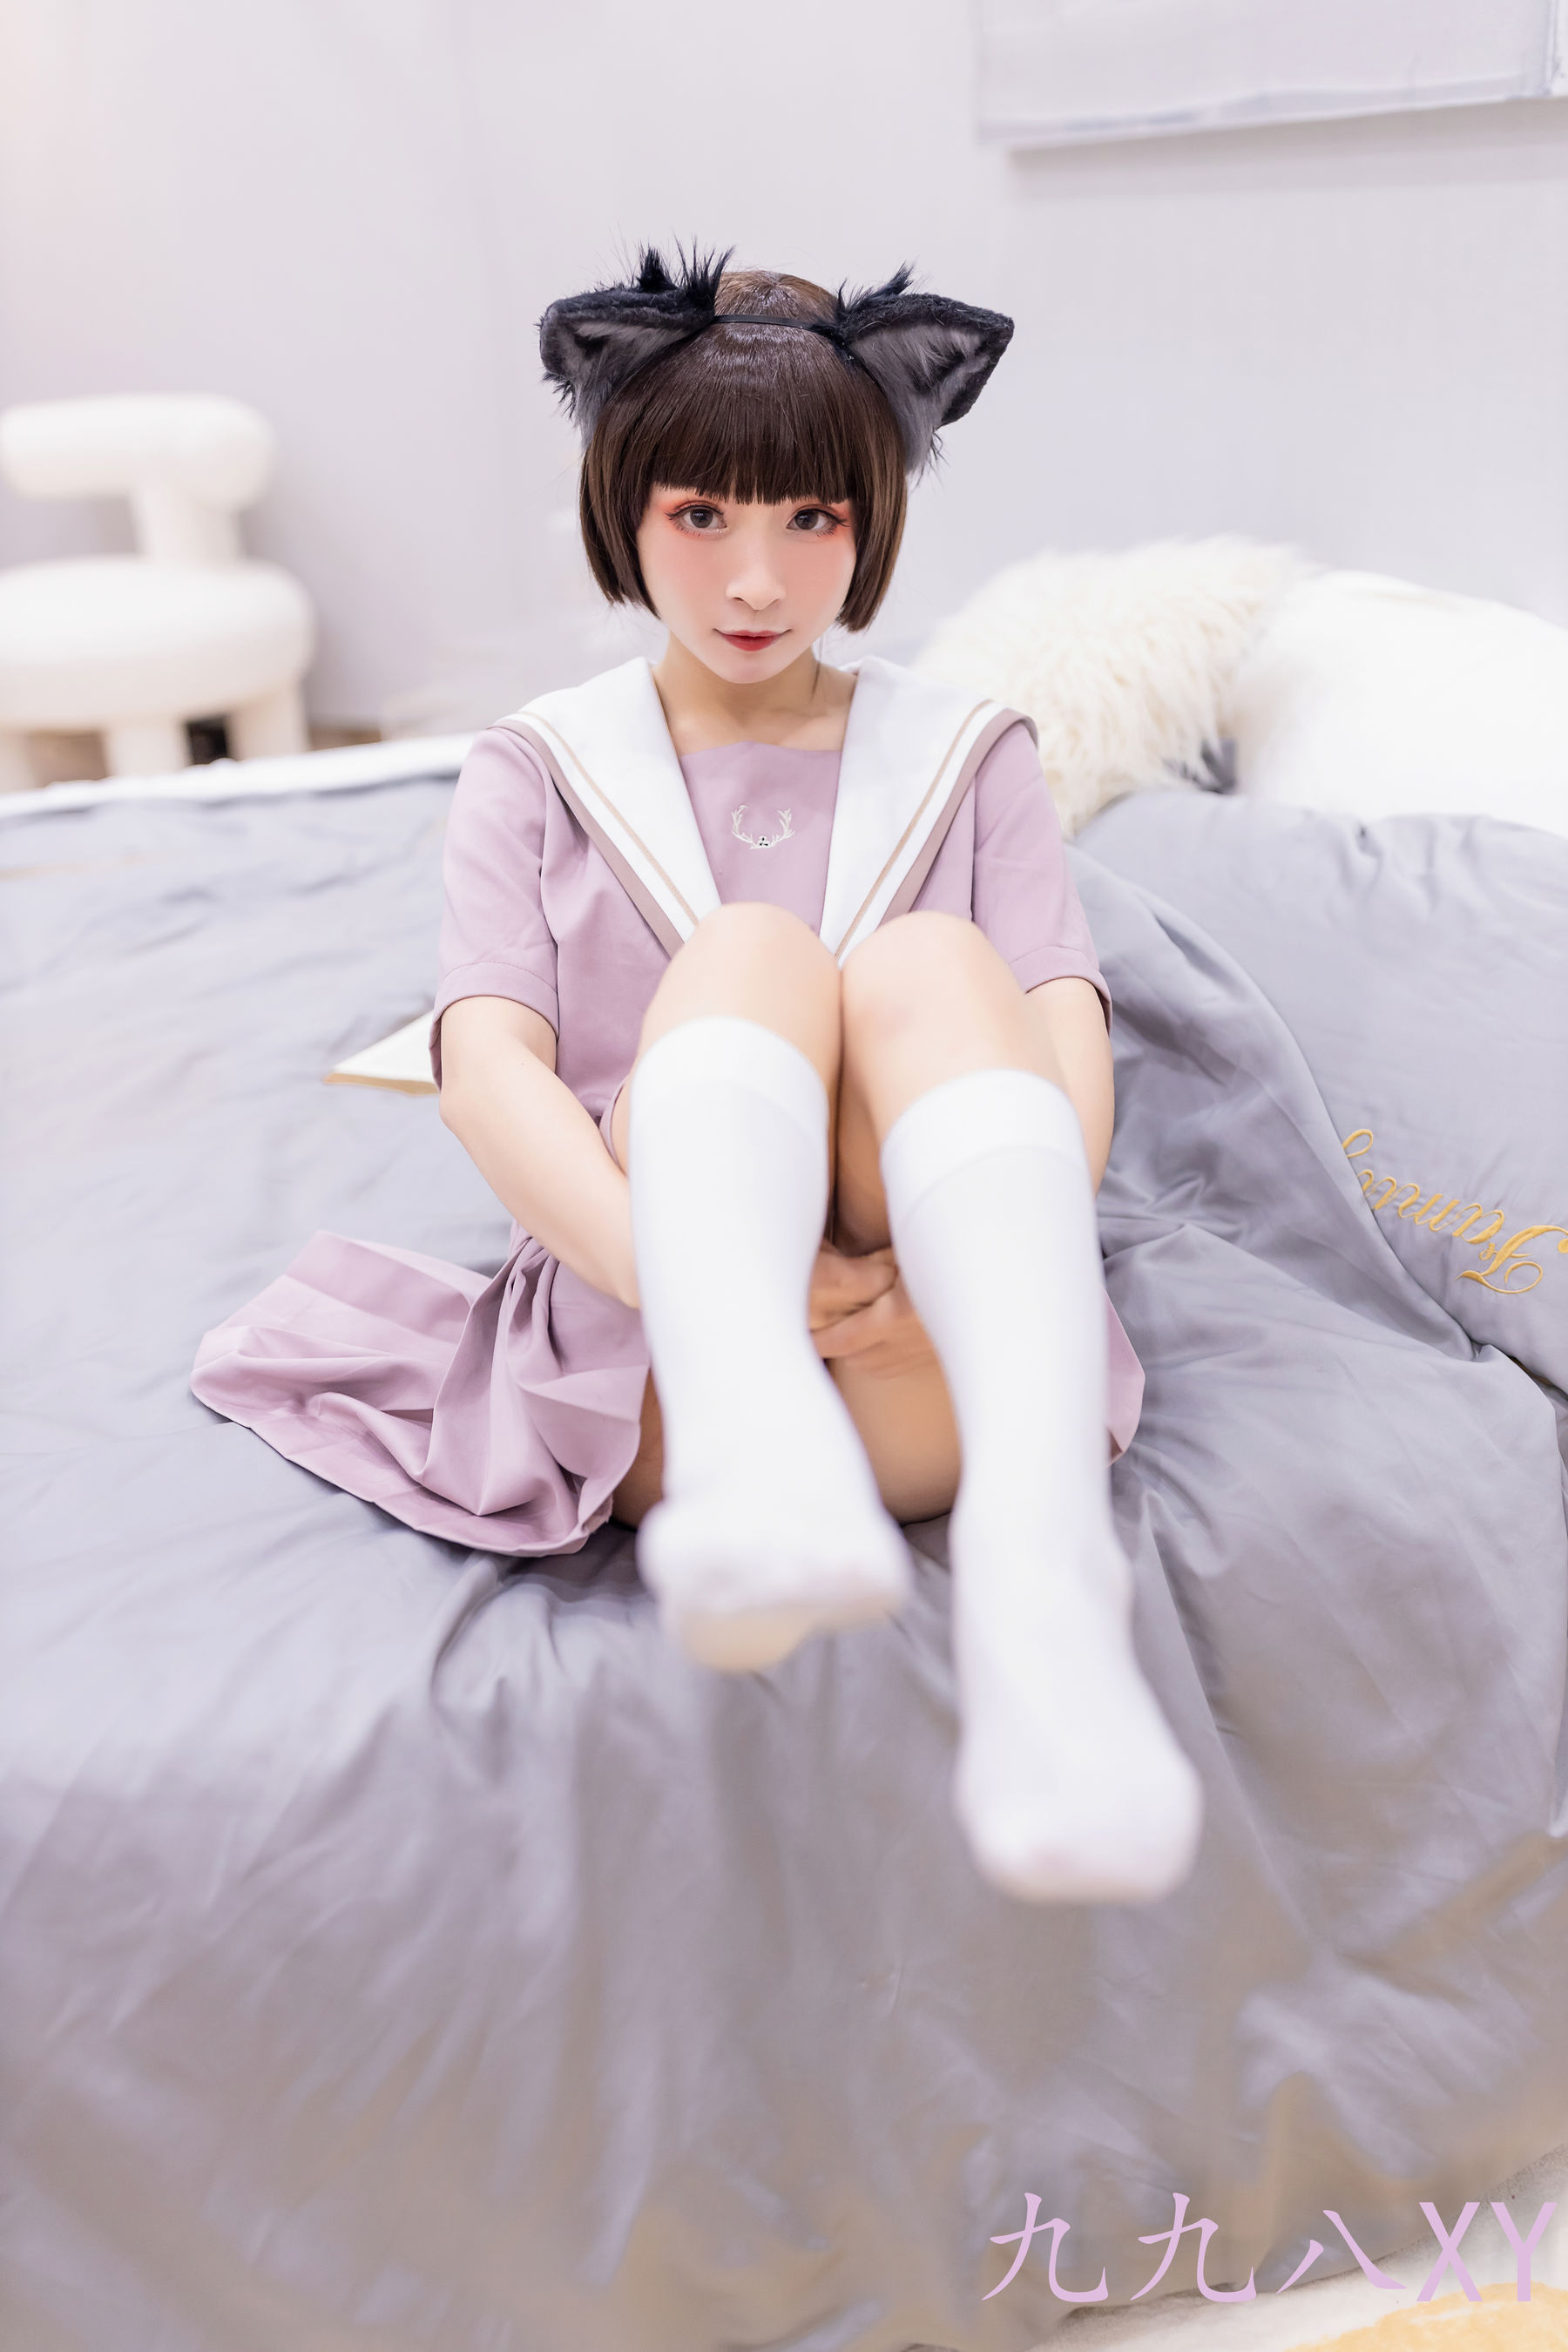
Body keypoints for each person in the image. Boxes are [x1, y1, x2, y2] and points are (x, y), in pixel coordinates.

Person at [193, 250, 1200, 1904]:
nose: (755, 577)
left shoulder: (970, 754)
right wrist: (693, 1280)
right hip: (660, 1379)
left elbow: (1065, 1042)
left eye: (812, 519)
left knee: (933, 968)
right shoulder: (540, 770)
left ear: (871, 525)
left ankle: (1044, 1583)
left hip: (948, 1363)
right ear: (625, 512)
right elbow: (487, 1069)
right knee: (753, 955)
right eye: (700, 515)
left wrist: (936, 1285)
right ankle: (762, 1445)